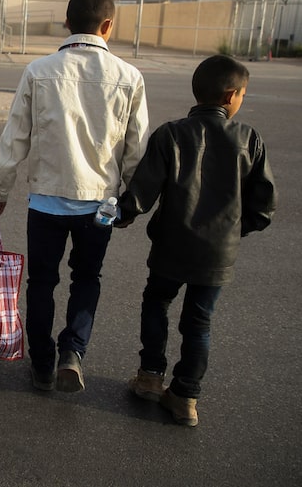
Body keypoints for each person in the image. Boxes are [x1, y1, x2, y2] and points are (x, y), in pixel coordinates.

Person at [0, 0, 149, 393]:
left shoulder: (39, 71)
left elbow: (15, 139)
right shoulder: (129, 78)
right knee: (87, 278)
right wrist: (131, 200)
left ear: (66, 24)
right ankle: (73, 352)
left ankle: (41, 364)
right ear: (108, 26)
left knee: (42, 282)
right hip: (100, 203)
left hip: (46, 200)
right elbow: (135, 148)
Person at [118, 55, 277, 426]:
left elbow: (141, 194)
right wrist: (234, 231)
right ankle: (186, 395)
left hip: (171, 245)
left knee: (157, 301)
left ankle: (150, 377)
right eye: (241, 95)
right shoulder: (249, 138)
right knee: (199, 321)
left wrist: (119, 216)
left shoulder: (171, 134)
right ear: (230, 96)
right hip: (218, 254)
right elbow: (264, 206)